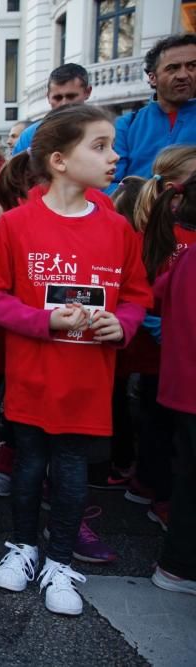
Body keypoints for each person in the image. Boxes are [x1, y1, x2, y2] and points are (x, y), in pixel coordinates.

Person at [0, 105, 153, 616]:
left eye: (112, 144)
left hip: (87, 380)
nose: (114, 155)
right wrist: (44, 320)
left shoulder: (119, 229)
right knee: (29, 463)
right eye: (99, 146)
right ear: (58, 160)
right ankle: (22, 546)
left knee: (73, 469)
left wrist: (123, 324)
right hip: (33, 376)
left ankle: (59, 561)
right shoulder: (16, 226)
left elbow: (138, 296)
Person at [150, 174, 196, 595]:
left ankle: (178, 563)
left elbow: (156, 292)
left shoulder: (187, 257)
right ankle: (179, 564)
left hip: (179, 385)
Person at [112, 35, 196, 190]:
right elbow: (109, 181)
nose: (183, 75)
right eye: (173, 68)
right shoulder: (126, 125)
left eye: (192, 66)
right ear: (152, 78)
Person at [11, 64, 93, 155]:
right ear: (48, 97)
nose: (64, 103)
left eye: (71, 96)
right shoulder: (29, 136)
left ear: (87, 92)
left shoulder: (108, 130)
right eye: (57, 98)